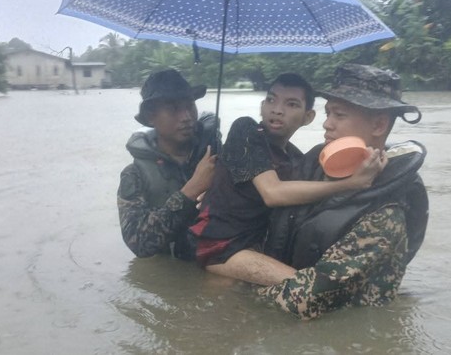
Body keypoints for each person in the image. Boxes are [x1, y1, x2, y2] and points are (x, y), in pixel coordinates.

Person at [260, 63, 429, 319]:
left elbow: (307, 301)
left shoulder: (386, 213)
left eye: (339, 115)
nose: (327, 124)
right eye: (327, 113)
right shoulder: (315, 166)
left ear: (379, 125)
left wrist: (239, 280)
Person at [189, 73, 386, 286]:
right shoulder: (245, 131)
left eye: (291, 104)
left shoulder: (296, 158)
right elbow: (272, 193)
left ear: (308, 117)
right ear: (262, 105)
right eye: (271, 100)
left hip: (259, 246)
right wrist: (350, 184)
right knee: (306, 288)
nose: (277, 109)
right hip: (221, 247)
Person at [117, 69, 221, 260]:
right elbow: (139, 244)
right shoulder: (135, 175)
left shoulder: (215, 153)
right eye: (173, 109)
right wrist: (191, 190)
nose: (186, 116)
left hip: (219, 257)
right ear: (151, 117)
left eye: (190, 105)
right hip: (174, 268)